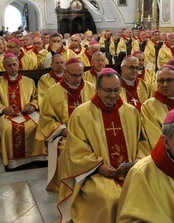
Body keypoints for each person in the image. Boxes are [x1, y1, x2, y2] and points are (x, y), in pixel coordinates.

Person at [57, 68, 148, 223]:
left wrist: (137, 162)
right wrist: (99, 166)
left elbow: (142, 142)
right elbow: (76, 150)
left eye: (116, 90)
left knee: (147, 193)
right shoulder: (81, 114)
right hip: (95, 173)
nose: (113, 95)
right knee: (111, 198)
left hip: (131, 172)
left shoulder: (131, 112)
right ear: (97, 89)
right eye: (107, 90)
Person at [35, 58, 96, 192]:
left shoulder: (91, 88)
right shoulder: (52, 92)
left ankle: (93, 183)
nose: (78, 78)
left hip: (91, 133)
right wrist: (63, 130)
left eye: (80, 74)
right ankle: (68, 186)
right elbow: (46, 119)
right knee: (65, 150)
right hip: (64, 135)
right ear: (65, 73)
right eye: (74, 75)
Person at [0, 53, 46, 169]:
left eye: (14, 64)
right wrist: (3, 109)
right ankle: (14, 162)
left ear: (19, 65)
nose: (12, 67)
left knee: (40, 124)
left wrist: (33, 106)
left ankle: (40, 157)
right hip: (7, 115)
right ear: (4, 67)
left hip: (27, 113)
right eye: (9, 65)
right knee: (8, 128)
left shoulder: (29, 81)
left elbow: (36, 98)